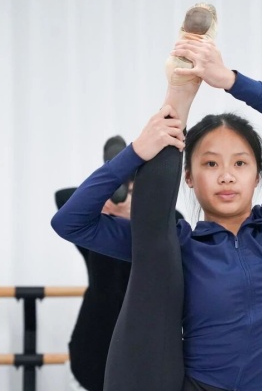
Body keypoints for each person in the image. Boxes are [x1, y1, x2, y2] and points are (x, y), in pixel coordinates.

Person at [52, 2, 262, 391]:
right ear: (190, 178)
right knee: (157, 241)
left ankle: (181, 89)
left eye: (240, 163)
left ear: (257, 176)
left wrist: (230, 80)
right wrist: (134, 154)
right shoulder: (179, 244)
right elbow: (70, 222)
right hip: (186, 384)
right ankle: (177, 96)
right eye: (211, 164)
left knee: (156, 236)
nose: (226, 175)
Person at [55, 136, 184, 391]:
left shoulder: (164, 229)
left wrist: (134, 212)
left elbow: (173, 219)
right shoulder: (98, 230)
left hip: (142, 352)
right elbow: (63, 199)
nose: (125, 199)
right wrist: (109, 190)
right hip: (92, 350)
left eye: (133, 193)